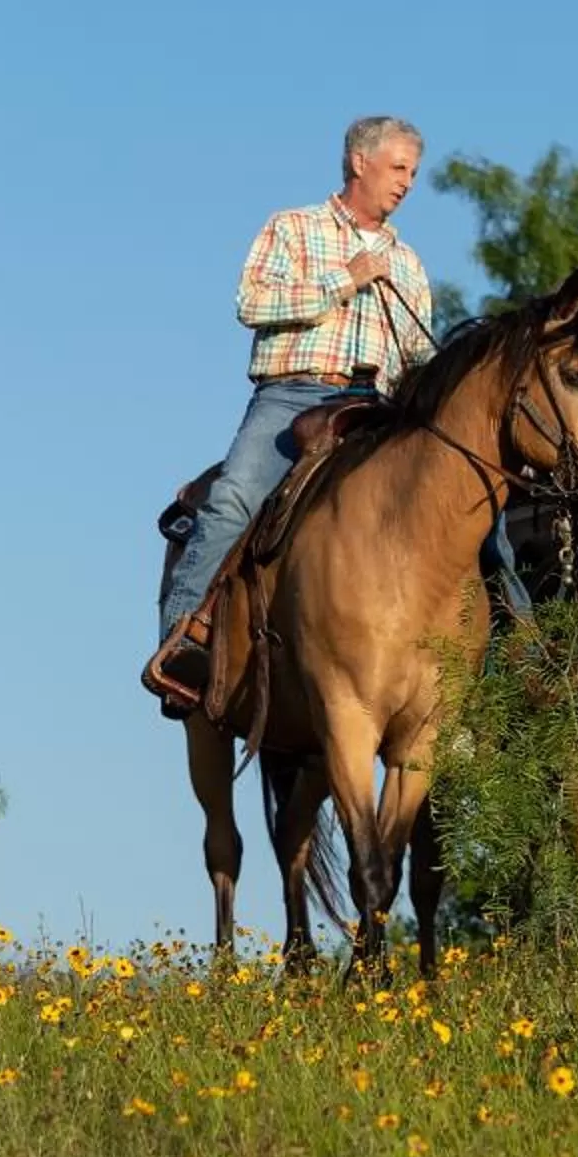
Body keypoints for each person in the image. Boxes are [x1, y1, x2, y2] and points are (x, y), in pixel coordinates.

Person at [143, 116, 438, 715]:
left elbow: (419, 356)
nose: (408, 183)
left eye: (413, 172)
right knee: (231, 499)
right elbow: (251, 302)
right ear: (361, 162)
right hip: (293, 398)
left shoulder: (409, 264)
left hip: (379, 411)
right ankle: (181, 644)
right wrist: (345, 279)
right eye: (399, 167)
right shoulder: (294, 228)